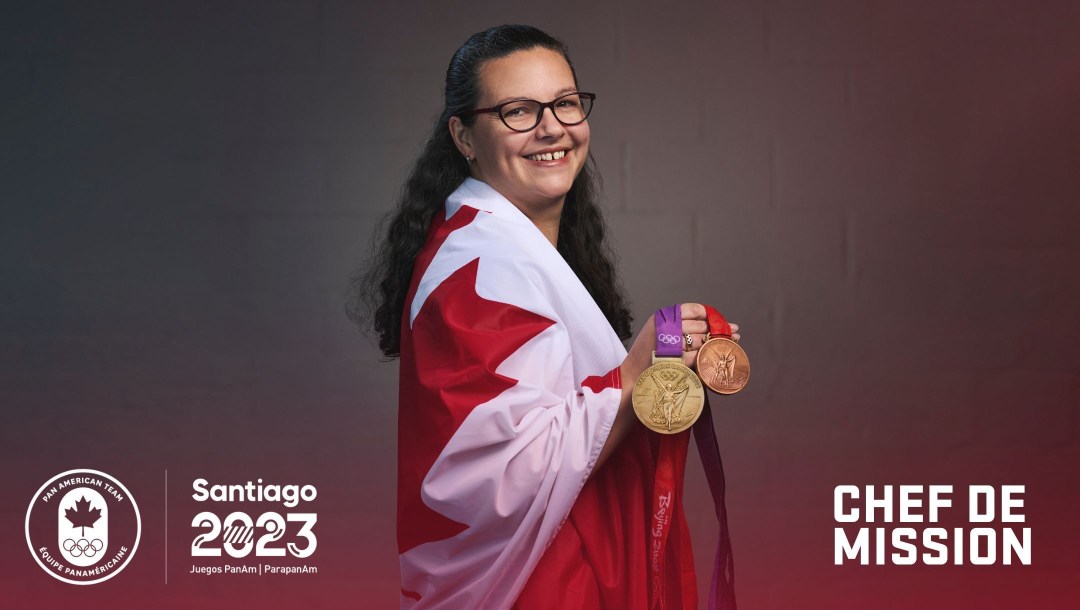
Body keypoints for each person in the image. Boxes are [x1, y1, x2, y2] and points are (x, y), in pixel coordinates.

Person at [351, 24, 740, 610]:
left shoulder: (509, 249)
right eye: (517, 111)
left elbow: (564, 415)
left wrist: (670, 352)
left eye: (563, 103)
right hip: (540, 588)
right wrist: (634, 378)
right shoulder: (481, 266)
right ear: (463, 136)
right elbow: (507, 478)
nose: (552, 126)